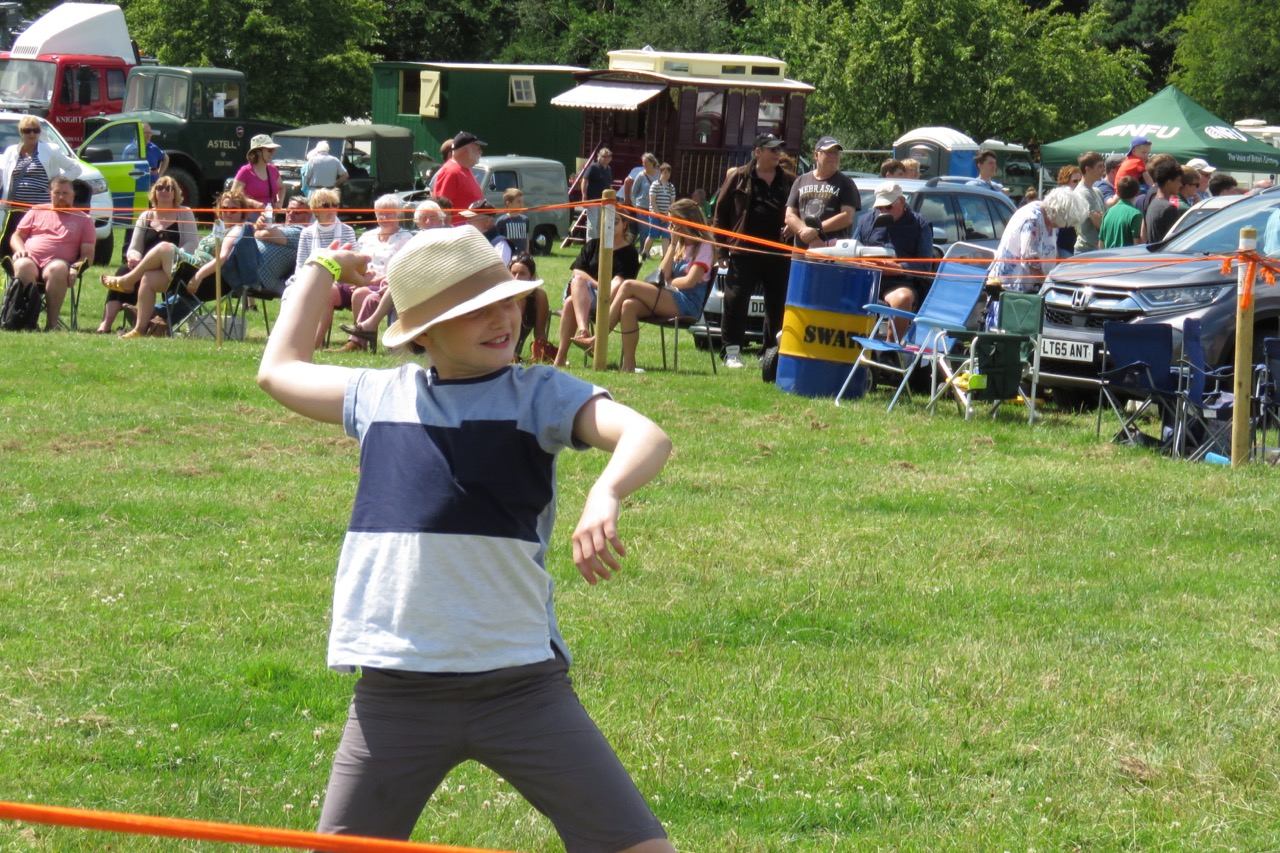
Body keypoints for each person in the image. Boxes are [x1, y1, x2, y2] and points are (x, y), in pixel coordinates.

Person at [255, 226, 676, 853]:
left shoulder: (539, 394)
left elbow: (646, 435)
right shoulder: (379, 395)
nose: (502, 318)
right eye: (473, 310)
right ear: (421, 331)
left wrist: (607, 491)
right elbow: (277, 370)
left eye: (507, 300)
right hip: (396, 692)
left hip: (521, 688)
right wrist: (321, 264)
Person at [580, 198, 713, 373]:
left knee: (628, 286)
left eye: (673, 223)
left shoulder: (705, 246)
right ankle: (629, 366)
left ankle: (597, 340)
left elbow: (689, 282)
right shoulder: (679, 245)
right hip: (671, 296)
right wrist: (673, 245)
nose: (670, 227)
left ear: (685, 221)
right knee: (628, 306)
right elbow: (662, 274)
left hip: (687, 303)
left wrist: (670, 282)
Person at [712, 133, 795, 368]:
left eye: (779, 148)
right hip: (744, 252)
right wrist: (722, 251)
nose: (777, 153)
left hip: (778, 253)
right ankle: (732, 352)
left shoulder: (789, 180)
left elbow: (797, 211)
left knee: (778, 304)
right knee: (736, 301)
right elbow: (720, 214)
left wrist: (793, 226)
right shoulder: (738, 177)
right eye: (772, 149)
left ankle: (770, 353)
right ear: (758, 152)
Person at [96, 178, 207, 333]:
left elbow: (191, 244)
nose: (164, 191)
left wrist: (172, 255)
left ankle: (154, 317)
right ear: (154, 192)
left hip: (172, 265)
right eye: (160, 187)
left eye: (169, 188)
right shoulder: (146, 216)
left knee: (157, 261)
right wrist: (133, 257)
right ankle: (106, 324)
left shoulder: (185, 213)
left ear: (175, 194)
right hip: (144, 267)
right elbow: (134, 247)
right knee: (123, 271)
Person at [343, 200, 449, 346]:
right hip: (406, 286)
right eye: (424, 218)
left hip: (434, 287)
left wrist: (391, 280)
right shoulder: (417, 240)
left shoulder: (447, 237)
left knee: (376, 290)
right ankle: (357, 342)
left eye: (432, 217)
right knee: (371, 299)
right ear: (418, 223)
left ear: (441, 219)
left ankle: (367, 328)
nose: (428, 221)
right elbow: (405, 266)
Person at [8, 175, 94, 331]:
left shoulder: (85, 220)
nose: (61, 197)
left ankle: (51, 325)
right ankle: (27, 321)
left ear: (73, 195)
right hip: (31, 259)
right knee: (22, 265)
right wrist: (20, 250)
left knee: (58, 269)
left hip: (58, 263)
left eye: (65, 193)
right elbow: (16, 236)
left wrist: (75, 266)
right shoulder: (36, 211)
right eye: (57, 193)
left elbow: (88, 255)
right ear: (51, 194)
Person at [330, 194, 414, 353]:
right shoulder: (367, 237)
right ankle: (315, 341)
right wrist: (354, 279)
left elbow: (398, 270)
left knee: (361, 293)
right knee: (329, 292)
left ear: (398, 214)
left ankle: (357, 341)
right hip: (359, 280)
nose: (384, 217)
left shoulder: (405, 238)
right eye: (380, 213)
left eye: (389, 213)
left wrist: (366, 283)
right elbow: (354, 261)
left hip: (384, 284)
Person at [553, 218, 642, 367]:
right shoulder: (593, 245)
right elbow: (577, 270)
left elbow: (620, 282)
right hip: (581, 291)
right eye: (606, 222)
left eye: (615, 222)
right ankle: (583, 332)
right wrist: (597, 284)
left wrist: (600, 288)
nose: (610, 226)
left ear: (624, 224)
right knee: (578, 281)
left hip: (610, 298)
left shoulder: (630, 253)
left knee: (570, 303)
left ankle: (560, 359)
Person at [0, 115, 81, 259]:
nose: (32, 134)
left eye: (35, 130)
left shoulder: (51, 150)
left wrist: (56, 184)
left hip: (41, 211)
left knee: (35, 246)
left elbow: (75, 168)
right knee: (10, 248)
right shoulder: (11, 152)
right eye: (27, 130)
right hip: (14, 210)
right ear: (21, 133)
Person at [987, 185, 1087, 294]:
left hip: (1031, 289)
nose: (1065, 227)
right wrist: (1051, 285)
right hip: (1011, 290)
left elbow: (1052, 252)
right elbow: (1030, 262)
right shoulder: (1033, 219)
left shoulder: (1050, 219)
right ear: (1057, 211)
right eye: (1067, 223)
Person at [855, 181, 934, 318]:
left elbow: (925, 265)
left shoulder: (920, 224)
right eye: (879, 208)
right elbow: (852, 252)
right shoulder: (865, 221)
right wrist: (863, 263)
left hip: (900, 284)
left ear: (902, 201)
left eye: (888, 206)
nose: (883, 212)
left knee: (902, 299)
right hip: (867, 280)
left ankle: (892, 340)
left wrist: (898, 268)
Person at [292, 188, 358, 350]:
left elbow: (357, 259)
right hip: (310, 278)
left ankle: (315, 344)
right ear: (316, 210)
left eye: (334, 205)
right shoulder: (307, 233)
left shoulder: (347, 231)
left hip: (342, 281)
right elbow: (301, 265)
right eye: (326, 205)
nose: (331, 209)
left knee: (325, 291)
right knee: (291, 293)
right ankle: (292, 339)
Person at [785, 136, 859, 250]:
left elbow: (847, 217)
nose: (833, 156)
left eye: (836, 153)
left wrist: (816, 230)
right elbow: (789, 216)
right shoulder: (801, 181)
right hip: (801, 253)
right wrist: (810, 236)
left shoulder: (846, 183)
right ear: (816, 155)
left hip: (832, 254)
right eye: (828, 152)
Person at [432, 131, 486, 224]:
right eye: (477, 148)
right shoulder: (451, 172)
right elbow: (441, 208)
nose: (481, 152)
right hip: (457, 233)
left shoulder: (465, 169)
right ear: (465, 151)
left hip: (468, 231)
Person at [509, 251, 551, 362]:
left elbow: (540, 335)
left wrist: (539, 354)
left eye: (522, 273)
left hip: (514, 356)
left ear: (531, 276)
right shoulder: (501, 297)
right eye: (513, 273)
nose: (517, 278)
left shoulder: (538, 297)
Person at [230, 134, 284, 212]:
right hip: (249, 219)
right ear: (258, 151)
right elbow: (233, 194)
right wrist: (253, 203)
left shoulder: (273, 170)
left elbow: (282, 188)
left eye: (273, 150)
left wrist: (280, 202)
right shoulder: (245, 171)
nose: (272, 153)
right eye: (269, 150)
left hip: (269, 217)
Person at [1142, 158, 1184, 244]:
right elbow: (1177, 240)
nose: (1180, 184)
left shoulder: (1153, 203)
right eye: (1178, 181)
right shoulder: (1168, 208)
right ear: (1169, 182)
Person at [623, 153, 659, 247]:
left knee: (651, 230)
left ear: (652, 163)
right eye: (643, 163)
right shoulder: (640, 175)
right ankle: (644, 252)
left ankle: (646, 250)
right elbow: (633, 193)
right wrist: (636, 206)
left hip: (653, 207)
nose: (644, 165)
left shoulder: (658, 174)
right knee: (644, 230)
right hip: (641, 206)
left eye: (646, 162)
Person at [1073, 152, 1106, 254]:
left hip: (1097, 250)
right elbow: (1099, 223)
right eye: (1100, 166)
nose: (1103, 170)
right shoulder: (1082, 193)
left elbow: (1104, 218)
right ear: (1088, 169)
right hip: (1086, 251)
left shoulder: (1097, 191)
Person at [460, 200, 512, 265]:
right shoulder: (471, 240)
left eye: (471, 218)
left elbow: (497, 271)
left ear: (487, 222)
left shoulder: (500, 244)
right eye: (467, 218)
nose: (467, 222)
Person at [120, 123, 169, 191]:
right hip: (137, 189)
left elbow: (166, 158)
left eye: (150, 133)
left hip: (153, 189)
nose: (148, 135)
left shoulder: (153, 148)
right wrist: (147, 171)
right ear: (138, 134)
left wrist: (159, 175)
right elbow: (124, 171)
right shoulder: (129, 150)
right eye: (146, 133)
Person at [1099, 176, 1144, 248]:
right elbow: (1137, 244)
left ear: (1117, 192)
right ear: (1137, 192)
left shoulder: (1108, 213)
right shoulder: (1136, 215)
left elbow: (1101, 243)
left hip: (1108, 258)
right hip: (1126, 258)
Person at [580, 147, 614, 241]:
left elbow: (609, 184)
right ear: (600, 157)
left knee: (601, 225)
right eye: (604, 156)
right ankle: (590, 245)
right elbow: (584, 181)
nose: (606, 158)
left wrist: (613, 197)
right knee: (592, 224)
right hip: (593, 200)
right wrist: (584, 196)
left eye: (608, 157)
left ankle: (598, 246)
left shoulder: (608, 169)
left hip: (604, 202)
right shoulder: (593, 167)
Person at [644, 163, 676, 258]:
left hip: (666, 216)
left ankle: (665, 257)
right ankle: (645, 253)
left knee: (666, 236)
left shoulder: (671, 187)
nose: (667, 175)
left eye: (669, 173)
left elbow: (672, 202)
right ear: (660, 173)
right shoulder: (655, 185)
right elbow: (652, 201)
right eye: (665, 172)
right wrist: (659, 215)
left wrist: (668, 215)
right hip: (655, 214)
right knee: (652, 235)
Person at [1055, 165, 1082, 257]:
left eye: (1080, 181)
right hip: (1063, 248)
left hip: (1077, 249)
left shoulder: (1079, 199)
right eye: (1075, 181)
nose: (1078, 184)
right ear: (1064, 183)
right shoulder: (1058, 201)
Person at [494, 187, 530, 254]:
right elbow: (497, 240)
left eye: (522, 201)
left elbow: (526, 237)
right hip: (507, 255)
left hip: (521, 256)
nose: (522, 205)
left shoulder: (525, 219)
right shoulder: (502, 221)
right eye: (518, 202)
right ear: (508, 204)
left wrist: (527, 251)